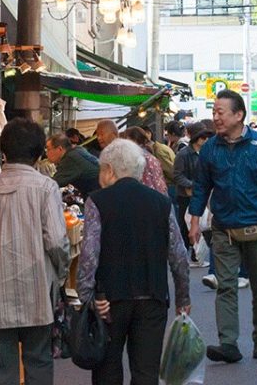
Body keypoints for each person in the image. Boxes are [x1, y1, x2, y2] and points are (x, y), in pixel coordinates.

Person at [189, 90, 257, 364]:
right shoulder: (210, 148)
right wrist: (194, 221)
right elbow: (201, 186)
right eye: (213, 112)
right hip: (223, 228)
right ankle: (228, 344)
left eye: (220, 112)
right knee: (225, 286)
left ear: (239, 115)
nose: (215, 118)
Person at [77, 139, 191, 384]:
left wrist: (87, 299)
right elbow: (179, 256)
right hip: (153, 297)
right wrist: (183, 298)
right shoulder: (162, 202)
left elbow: (88, 257)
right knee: (146, 373)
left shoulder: (97, 201)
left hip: (110, 301)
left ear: (109, 170)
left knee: (107, 371)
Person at [0, 120, 70, 385]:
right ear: (39, 153)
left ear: (4, 151)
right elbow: (58, 241)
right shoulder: (46, 187)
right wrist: (59, 276)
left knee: (1, 369)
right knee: (38, 361)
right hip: (36, 290)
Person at [173, 121, 214, 259]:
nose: (206, 140)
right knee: (185, 226)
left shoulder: (206, 153)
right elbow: (177, 175)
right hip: (186, 195)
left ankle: (197, 255)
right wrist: (193, 185)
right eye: (203, 138)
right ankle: (185, 254)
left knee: (204, 225)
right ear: (197, 138)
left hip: (202, 194)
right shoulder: (183, 154)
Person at [121, 126, 169, 194]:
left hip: (148, 197)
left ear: (133, 140)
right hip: (159, 196)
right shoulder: (149, 156)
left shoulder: (139, 158)